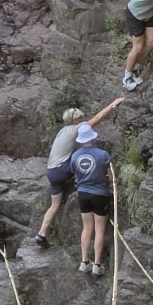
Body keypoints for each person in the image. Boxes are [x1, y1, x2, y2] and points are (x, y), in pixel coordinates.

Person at [33, 96, 125, 249]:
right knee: (86, 157)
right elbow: (98, 117)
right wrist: (113, 105)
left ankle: (41, 233)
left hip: (51, 171)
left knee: (55, 205)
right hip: (63, 169)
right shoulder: (78, 128)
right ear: (75, 120)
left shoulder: (63, 130)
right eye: (81, 117)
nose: (83, 119)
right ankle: (87, 181)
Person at [69, 122, 114, 275]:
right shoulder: (102, 155)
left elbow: (75, 174)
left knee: (87, 227)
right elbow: (111, 177)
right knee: (99, 229)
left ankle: (84, 261)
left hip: (83, 193)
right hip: (100, 194)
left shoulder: (75, 156)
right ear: (93, 138)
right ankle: (97, 264)